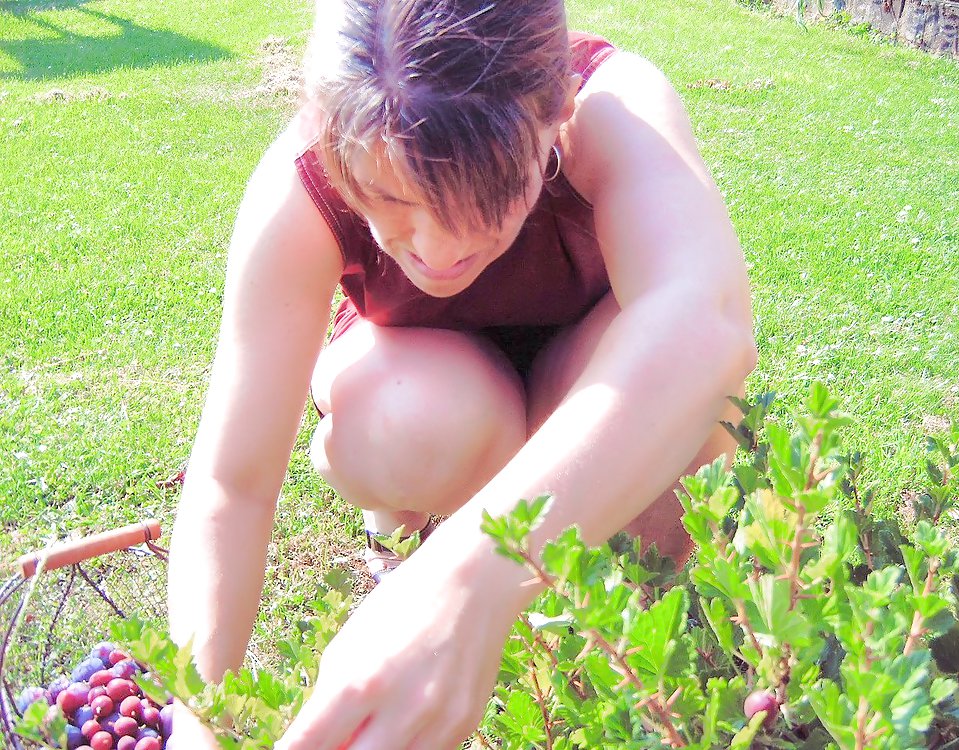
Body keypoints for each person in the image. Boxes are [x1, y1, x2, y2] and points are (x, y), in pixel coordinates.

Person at [166, 0, 757, 748]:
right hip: (434, 386)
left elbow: (705, 319)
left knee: (688, 397)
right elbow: (232, 484)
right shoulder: (300, 187)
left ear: (556, 111)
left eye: (490, 196)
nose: (440, 250)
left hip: (584, 378)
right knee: (401, 414)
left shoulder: (611, 106)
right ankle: (408, 542)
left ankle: (609, 618)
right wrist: (197, 719)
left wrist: (467, 584)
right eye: (391, 203)